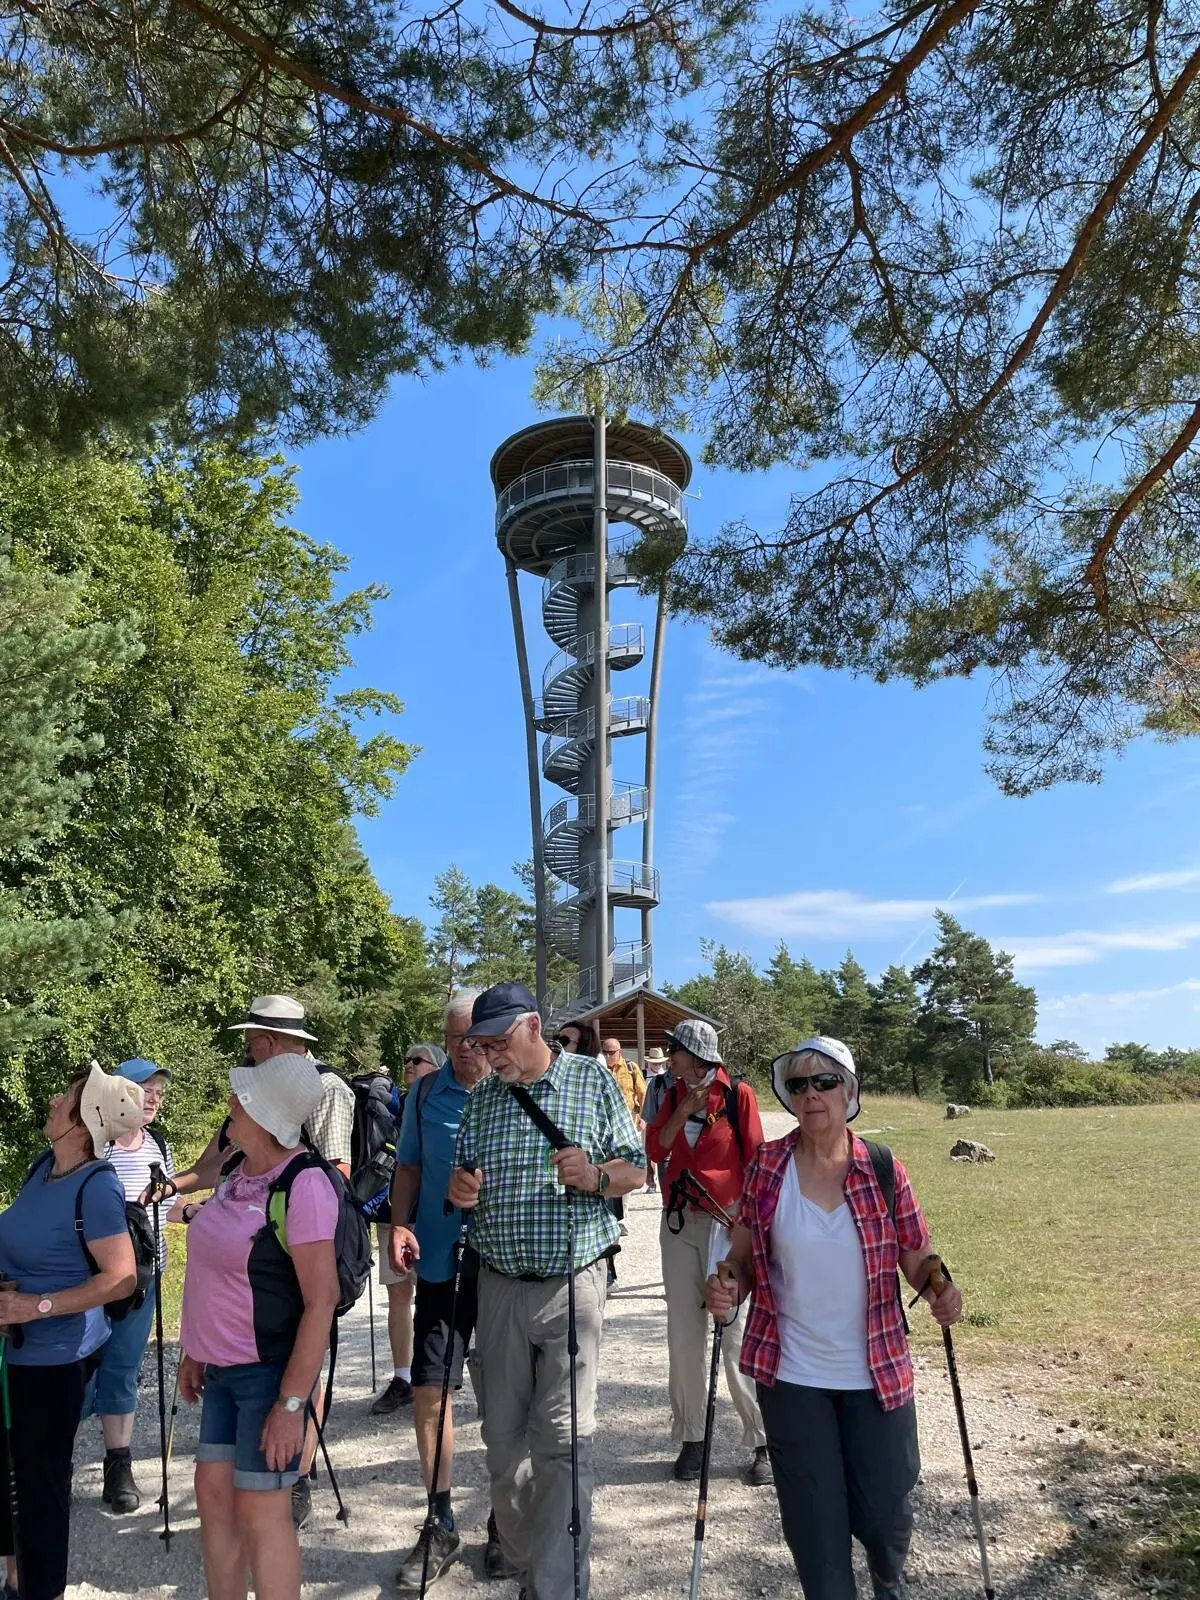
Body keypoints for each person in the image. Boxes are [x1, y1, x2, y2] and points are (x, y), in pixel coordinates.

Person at [705, 1036, 964, 1600]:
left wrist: (941, 1288)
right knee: (815, 1527)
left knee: (885, 1516)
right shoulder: (768, 1167)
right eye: (798, 1084)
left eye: (823, 1082)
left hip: (878, 1373)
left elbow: (917, 1256)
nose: (810, 1093)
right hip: (793, 1376)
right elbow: (742, 1259)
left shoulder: (884, 1168)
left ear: (849, 1092)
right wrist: (727, 1283)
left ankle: (887, 1582)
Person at [450, 981, 645, 1600]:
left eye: (498, 1042)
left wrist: (593, 1176)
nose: (489, 1055)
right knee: (504, 1450)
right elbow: (461, 1181)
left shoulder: (592, 1081)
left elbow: (635, 1169)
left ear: (533, 1026)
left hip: (571, 1285)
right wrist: (459, 1191)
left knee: (563, 1444)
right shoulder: (483, 1100)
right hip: (498, 1289)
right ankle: (524, 1553)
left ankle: (557, 1586)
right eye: (481, 1044)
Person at [168, 993, 353, 1525]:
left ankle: (297, 1473)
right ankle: (280, 1473)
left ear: (271, 1042)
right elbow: (218, 1165)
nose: (247, 1053)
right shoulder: (249, 1097)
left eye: (251, 1043)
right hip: (255, 1251)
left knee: (299, 1353)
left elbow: (335, 1172)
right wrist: (171, 1190)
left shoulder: (327, 1090)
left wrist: (275, 1217)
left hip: (302, 1245)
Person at [179, 1052, 341, 1600]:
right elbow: (213, 1270)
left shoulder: (305, 1183)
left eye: (239, 1098)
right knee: (215, 1498)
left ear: (265, 1113)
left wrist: (293, 1405)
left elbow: (321, 1301)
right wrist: (195, 1348)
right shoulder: (233, 1168)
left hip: (269, 1375)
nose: (229, 1104)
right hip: (221, 1371)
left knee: (261, 1511)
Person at [0, 1065, 142, 1600]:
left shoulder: (97, 1186)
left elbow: (120, 1277)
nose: (55, 1098)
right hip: (13, 1352)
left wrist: (34, 1306)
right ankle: (16, 1579)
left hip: (54, 1359)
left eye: (68, 1097)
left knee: (39, 1484)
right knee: (8, 1474)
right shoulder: (43, 1167)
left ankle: (42, 1592)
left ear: (83, 1123)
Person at [387, 993, 511, 1590]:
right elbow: (407, 1165)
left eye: (474, 1035)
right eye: (454, 1034)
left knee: (508, 1396)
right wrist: (401, 1223)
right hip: (439, 1262)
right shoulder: (423, 1092)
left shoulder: (517, 1088)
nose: (465, 1045)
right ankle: (439, 1520)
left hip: (507, 1265)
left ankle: (506, 1521)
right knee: (430, 1391)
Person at [645, 1019, 770, 1485]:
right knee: (684, 1333)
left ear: (696, 1054)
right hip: (680, 1222)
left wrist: (750, 1224)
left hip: (727, 1222)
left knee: (734, 1332)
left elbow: (757, 1159)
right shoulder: (671, 1094)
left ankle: (762, 1440)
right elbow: (654, 1149)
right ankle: (693, 1438)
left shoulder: (738, 1095)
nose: (669, 1058)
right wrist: (681, 1113)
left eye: (674, 1050)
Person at [79, 1057, 176, 1514]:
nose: (153, 1098)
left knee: (122, 1366)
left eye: (158, 1091)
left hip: (143, 1278)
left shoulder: (158, 1144)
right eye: (144, 1090)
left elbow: (167, 1205)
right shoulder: (97, 1146)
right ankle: (53, 1461)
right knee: (79, 1367)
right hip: (92, 1277)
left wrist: (193, 1213)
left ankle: (118, 1466)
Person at [371, 1043, 445, 1417]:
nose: (410, 1066)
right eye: (407, 1061)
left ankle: (449, 1374)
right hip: (394, 1214)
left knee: (443, 1296)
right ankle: (404, 1378)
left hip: (436, 1216)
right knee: (399, 1296)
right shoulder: (392, 1105)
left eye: (419, 1060)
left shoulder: (448, 1101)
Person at [640, 1047, 672, 1193]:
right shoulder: (643, 1075)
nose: (657, 1065)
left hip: (660, 1118)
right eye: (655, 1063)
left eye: (659, 1063)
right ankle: (651, 1181)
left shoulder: (668, 1078)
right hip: (646, 1114)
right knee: (649, 1150)